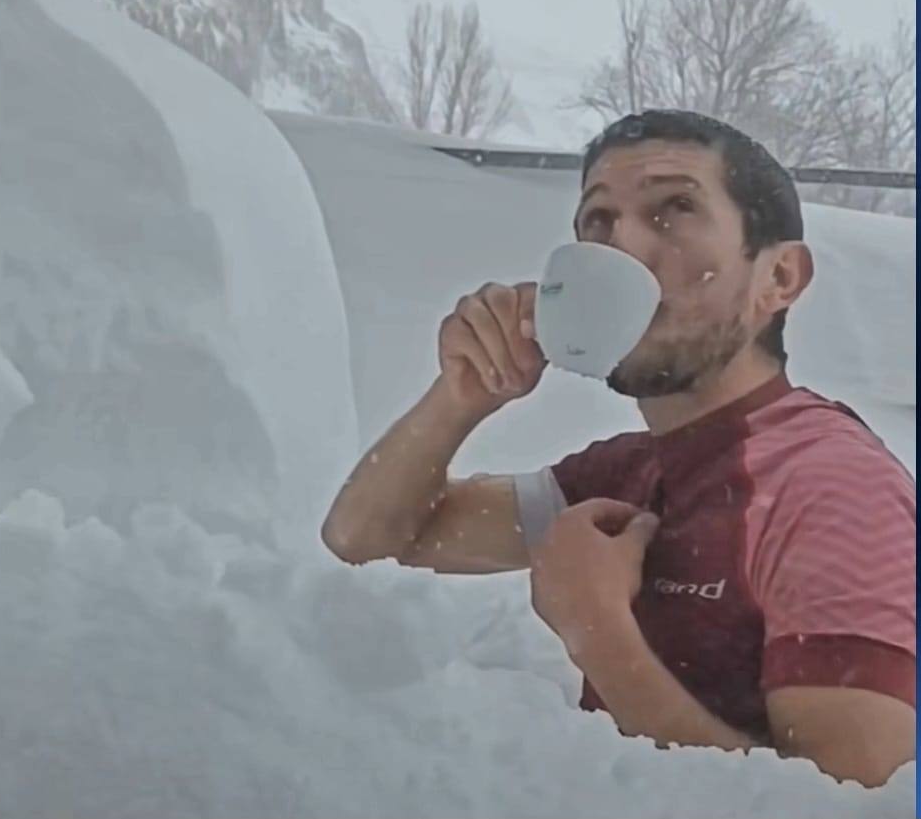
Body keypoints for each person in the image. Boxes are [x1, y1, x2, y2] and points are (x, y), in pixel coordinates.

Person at [320, 110, 916, 788]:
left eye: (674, 209)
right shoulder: (630, 468)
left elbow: (850, 805)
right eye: (597, 221)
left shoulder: (830, 487)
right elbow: (364, 541)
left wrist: (596, 629)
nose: (620, 246)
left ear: (778, 278)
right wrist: (461, 396)